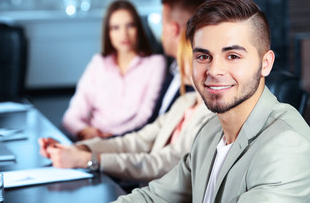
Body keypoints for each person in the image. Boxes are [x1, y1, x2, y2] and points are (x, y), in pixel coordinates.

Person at [80, 0, 310, 203]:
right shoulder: (210, 133)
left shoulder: (288, 147)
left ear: (265, 63)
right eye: (203, 56)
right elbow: (153, 202)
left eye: (233, 56)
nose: (214, 70)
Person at [38, 31, 214, 182]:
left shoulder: (211, 114)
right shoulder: (185, 102)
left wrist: (89, 160)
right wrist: (81, 149)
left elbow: (165, 162)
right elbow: (136, 140)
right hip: (147, 194)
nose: (176, 66)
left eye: (180, 58)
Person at [61, 0, 166, 141]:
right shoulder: (98, 63)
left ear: (139, 29)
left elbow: (145, 116)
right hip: (91, 138)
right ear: (108, 33)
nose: (124, 34)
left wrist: (110, 136)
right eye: (115, 28)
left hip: (127, 140)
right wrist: (85, 131)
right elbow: (71, 116)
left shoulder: (155, 63)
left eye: (130, 26)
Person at [147, 0, 206, 123]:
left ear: (174, 28)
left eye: (163, 24)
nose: (162, 33)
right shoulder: (172, 68)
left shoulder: (199, 84)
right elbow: (152, 127)